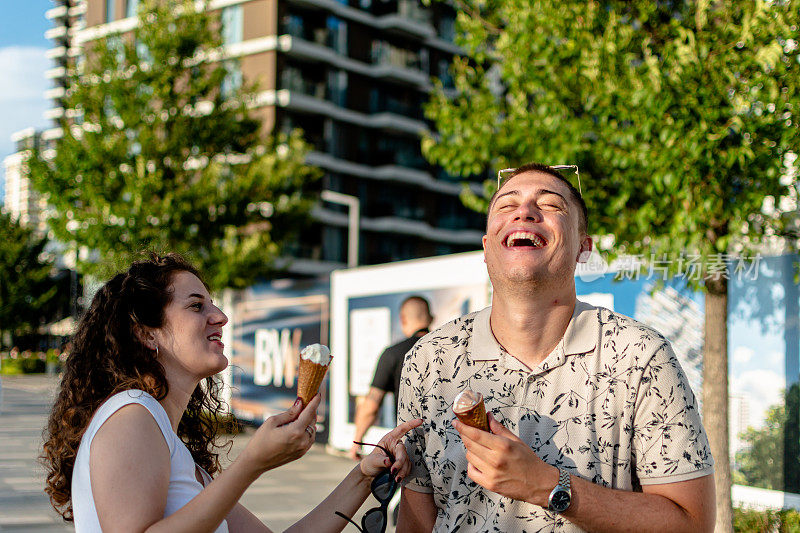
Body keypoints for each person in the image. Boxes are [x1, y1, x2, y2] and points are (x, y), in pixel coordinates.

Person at [396, 163, 715, 532]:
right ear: (486, 247)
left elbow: (692, 524)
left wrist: (548, 485)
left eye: (551, 205)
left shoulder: (641, 357)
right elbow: (417, 519)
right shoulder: (430, 358)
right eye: (506, 205)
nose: (525, 211)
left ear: (584, 246)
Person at [41, 253, 421, 532]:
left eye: (213, 303)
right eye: (196, 305)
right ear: (145, 332)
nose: (220, 315)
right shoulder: (132, 414)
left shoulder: (175, 451)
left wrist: (363, 475)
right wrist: (251, 463)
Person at [348, 296, 433, 460]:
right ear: (431, 318)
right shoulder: (449, 349)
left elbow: (372, 404)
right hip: (450, 445)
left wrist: (357, 442)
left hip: (411, 449)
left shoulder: (393, 353)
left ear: (402, 319)